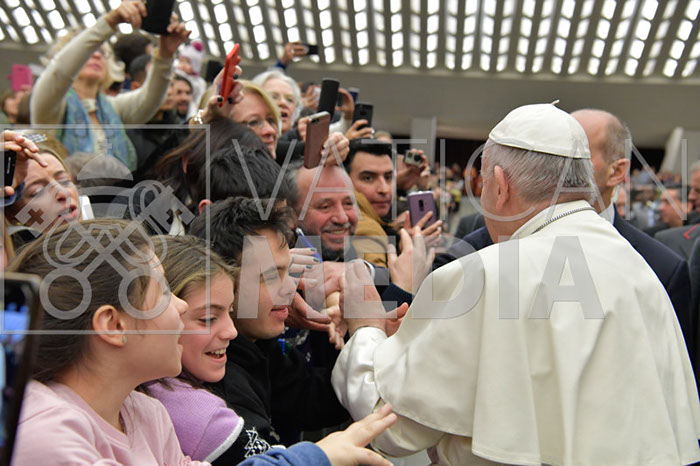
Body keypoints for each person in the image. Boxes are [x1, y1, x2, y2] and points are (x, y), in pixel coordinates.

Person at [332, 103, 700, 464]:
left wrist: (366, 327)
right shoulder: (639, 268)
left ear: (500, 185)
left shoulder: (483, 275)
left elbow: (389, 425)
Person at [434, 108, 695, 356]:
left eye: (577, 153)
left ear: (617, 171)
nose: (558, 163)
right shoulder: (491, 237)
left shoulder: (660, 268)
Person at [8, 218, 202, 465]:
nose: (182, 305)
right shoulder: (46, 436)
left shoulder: (145, 413)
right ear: (113, 325)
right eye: (163, 291)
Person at [189, 197, 350, 446]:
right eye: (270, 276)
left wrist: (354, 331)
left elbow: (314, 402)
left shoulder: (256, 343)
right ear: (221, 280)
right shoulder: (213, 376)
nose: (289, 289)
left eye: (288, 271)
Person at [30, 0, 189, 170]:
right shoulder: (52, 108)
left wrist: (165, 54)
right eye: (90, 51)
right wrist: (109, 22)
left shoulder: (112, 108)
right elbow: (59, 73)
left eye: (103, 52)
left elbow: (150, 100)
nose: (97, 55)